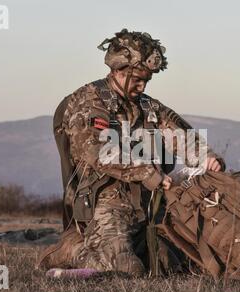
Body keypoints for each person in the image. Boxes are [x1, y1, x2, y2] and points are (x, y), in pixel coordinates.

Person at [39, 29, 226, 275]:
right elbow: (97, 151)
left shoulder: (148, 106)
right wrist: (146, 171)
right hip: (105, 204)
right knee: (127, 269)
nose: (142, 85)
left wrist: (208, 158)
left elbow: (179, 135)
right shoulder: (89, 103)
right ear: (117, 70)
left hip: (147, 205)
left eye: (146, 80)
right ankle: (69, 250)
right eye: (137, 78)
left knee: (173, 264)